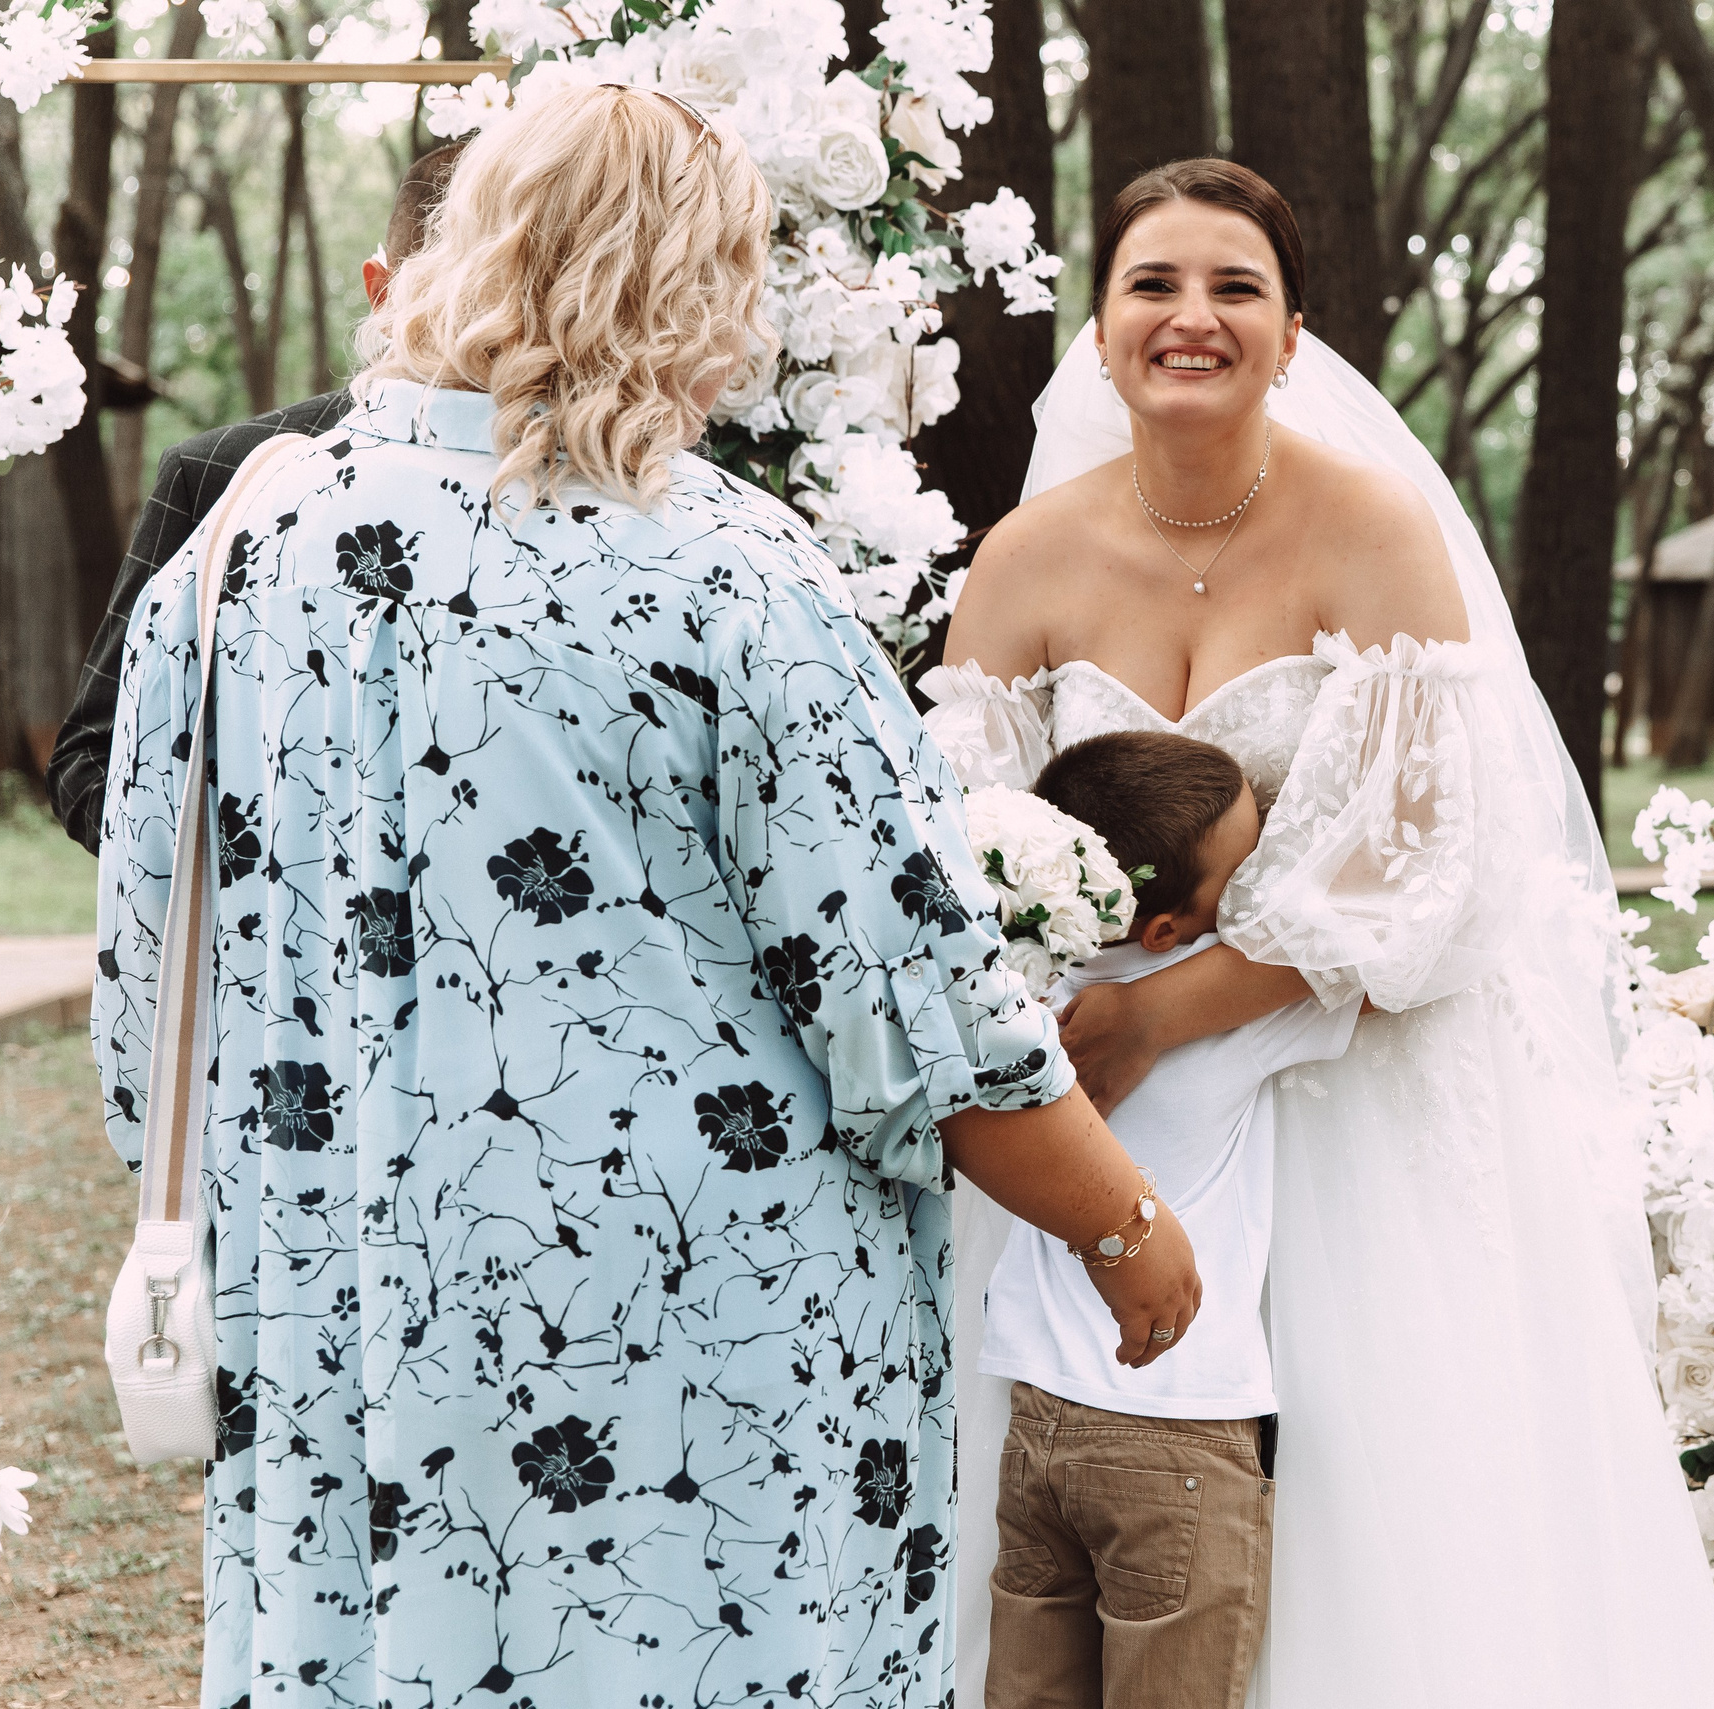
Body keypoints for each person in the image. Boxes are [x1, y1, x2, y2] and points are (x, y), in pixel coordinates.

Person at [90, 84, 1201, 1708]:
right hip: (690, 1380)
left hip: (349, 1339)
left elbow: (147, 1009)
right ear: (692, 289)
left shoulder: (240, 555)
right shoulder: (730, 575)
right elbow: (918, 1007)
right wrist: (1125, 1224)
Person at [922, 160, 1714, 1706]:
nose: (1192, 316)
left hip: (1351, 1100)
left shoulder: (1370, 527)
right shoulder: (1024, 559)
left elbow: (1435, 869)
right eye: (1153, 284)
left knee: (1389, 1534)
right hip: (1101, 1120)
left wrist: (1162, 1011)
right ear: (1099, 332)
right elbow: (958, 858)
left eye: (1235, 287)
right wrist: (1073, 1021)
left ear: (1294, 334)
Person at [982, 731, 1356, 1709]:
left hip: (1038, 1425)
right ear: (1163, 931)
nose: (1261, 877)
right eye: (1247, 870)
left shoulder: (1022, 1000)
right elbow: (1374, 959)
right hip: (1178, 1429)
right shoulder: (1213, 1016)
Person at [47, 139, 469, 853]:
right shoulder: (219, 473)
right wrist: (261, 872)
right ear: (381, 291)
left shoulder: (599, 491)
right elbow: (91, 761)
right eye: (456, 305)